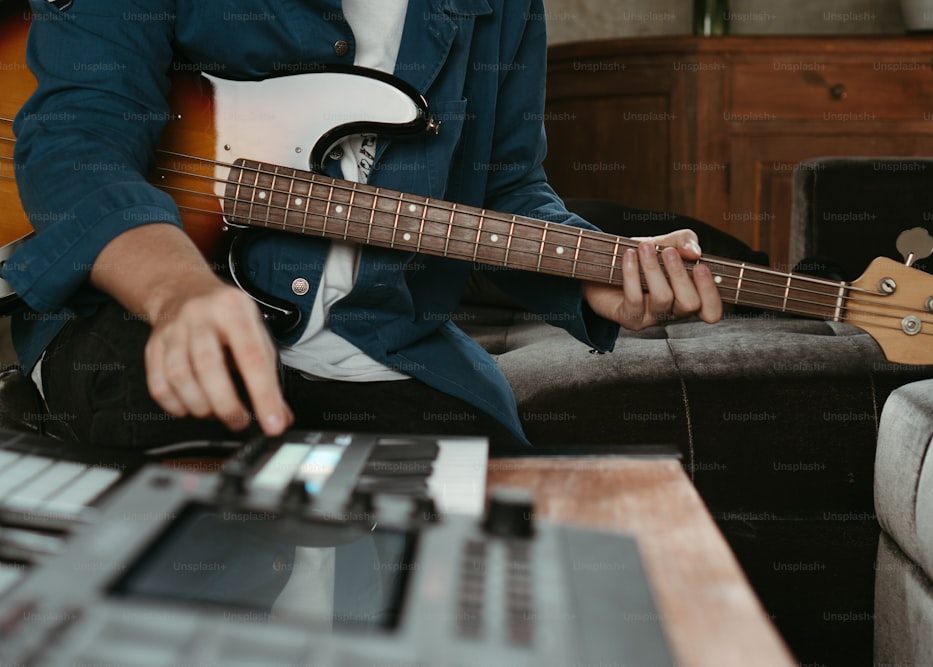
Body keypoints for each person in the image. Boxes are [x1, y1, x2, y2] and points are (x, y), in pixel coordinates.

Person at [4, 0, 721, 450]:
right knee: (190, 446)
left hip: (384, 346)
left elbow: (504, 187)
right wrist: (178, 291)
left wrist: (592, 272)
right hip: (135, 319)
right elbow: (76, 140)